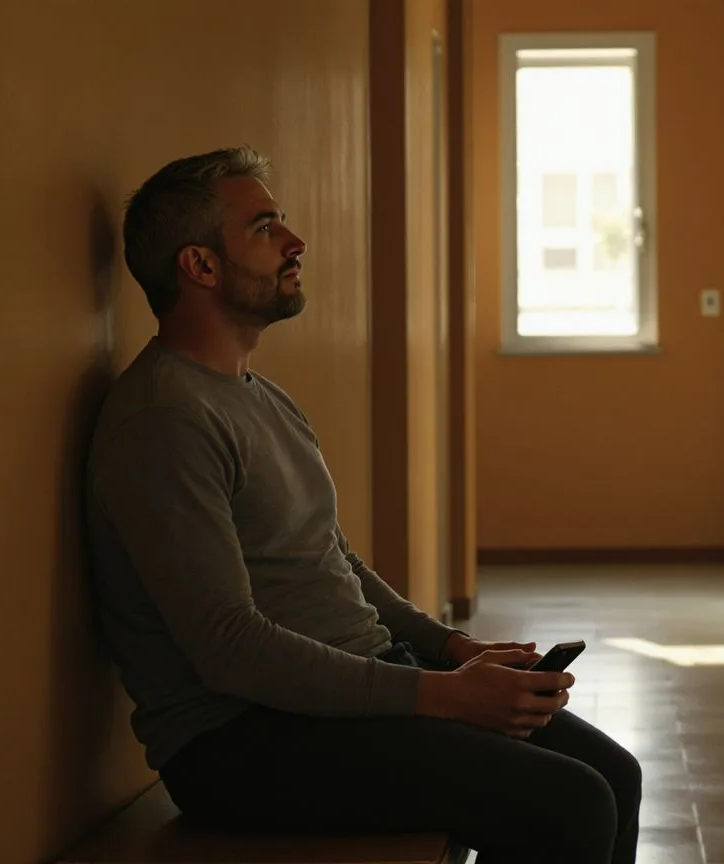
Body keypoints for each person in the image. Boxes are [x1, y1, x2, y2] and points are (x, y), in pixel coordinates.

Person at [85, 147, 641, 864]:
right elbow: (229, 649)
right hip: (245, 741)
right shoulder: (163, 420)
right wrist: (445, 696)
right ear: (200, 266)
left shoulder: (257, 395)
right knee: (570, 803)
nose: (296, 241)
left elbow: (332, 557)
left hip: (346, 694)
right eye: (264, 227)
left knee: (614, 776)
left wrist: (452, 651)